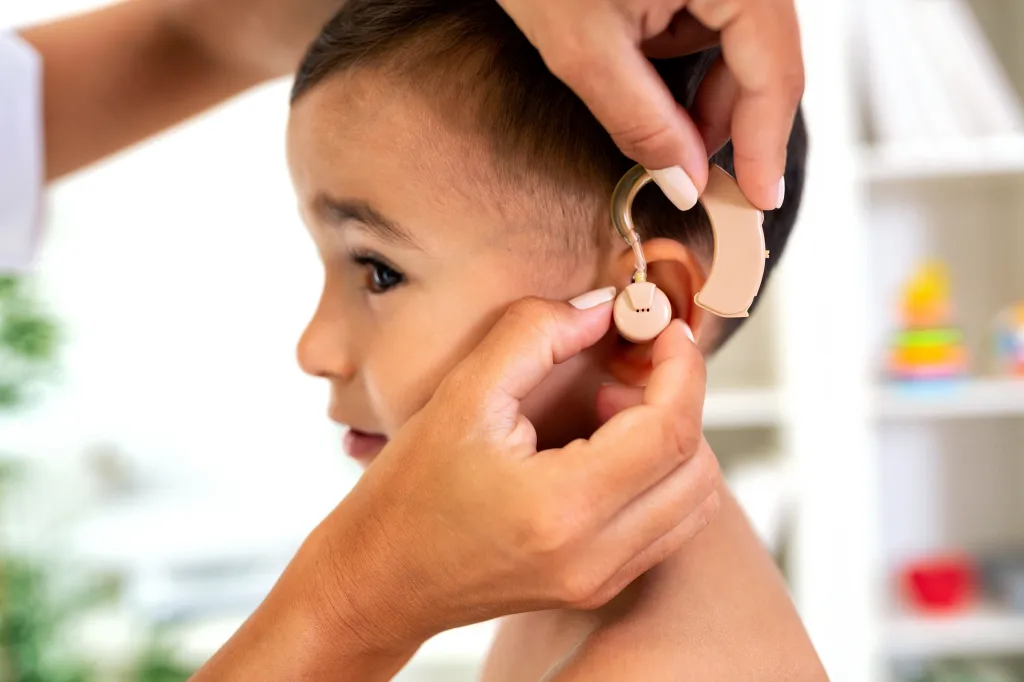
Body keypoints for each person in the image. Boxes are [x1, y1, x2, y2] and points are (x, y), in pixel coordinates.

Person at [0, 0, 810, 679]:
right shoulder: (578, 608)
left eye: (377, 271)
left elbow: (182, 38)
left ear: (648, 306)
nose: (314, 348)